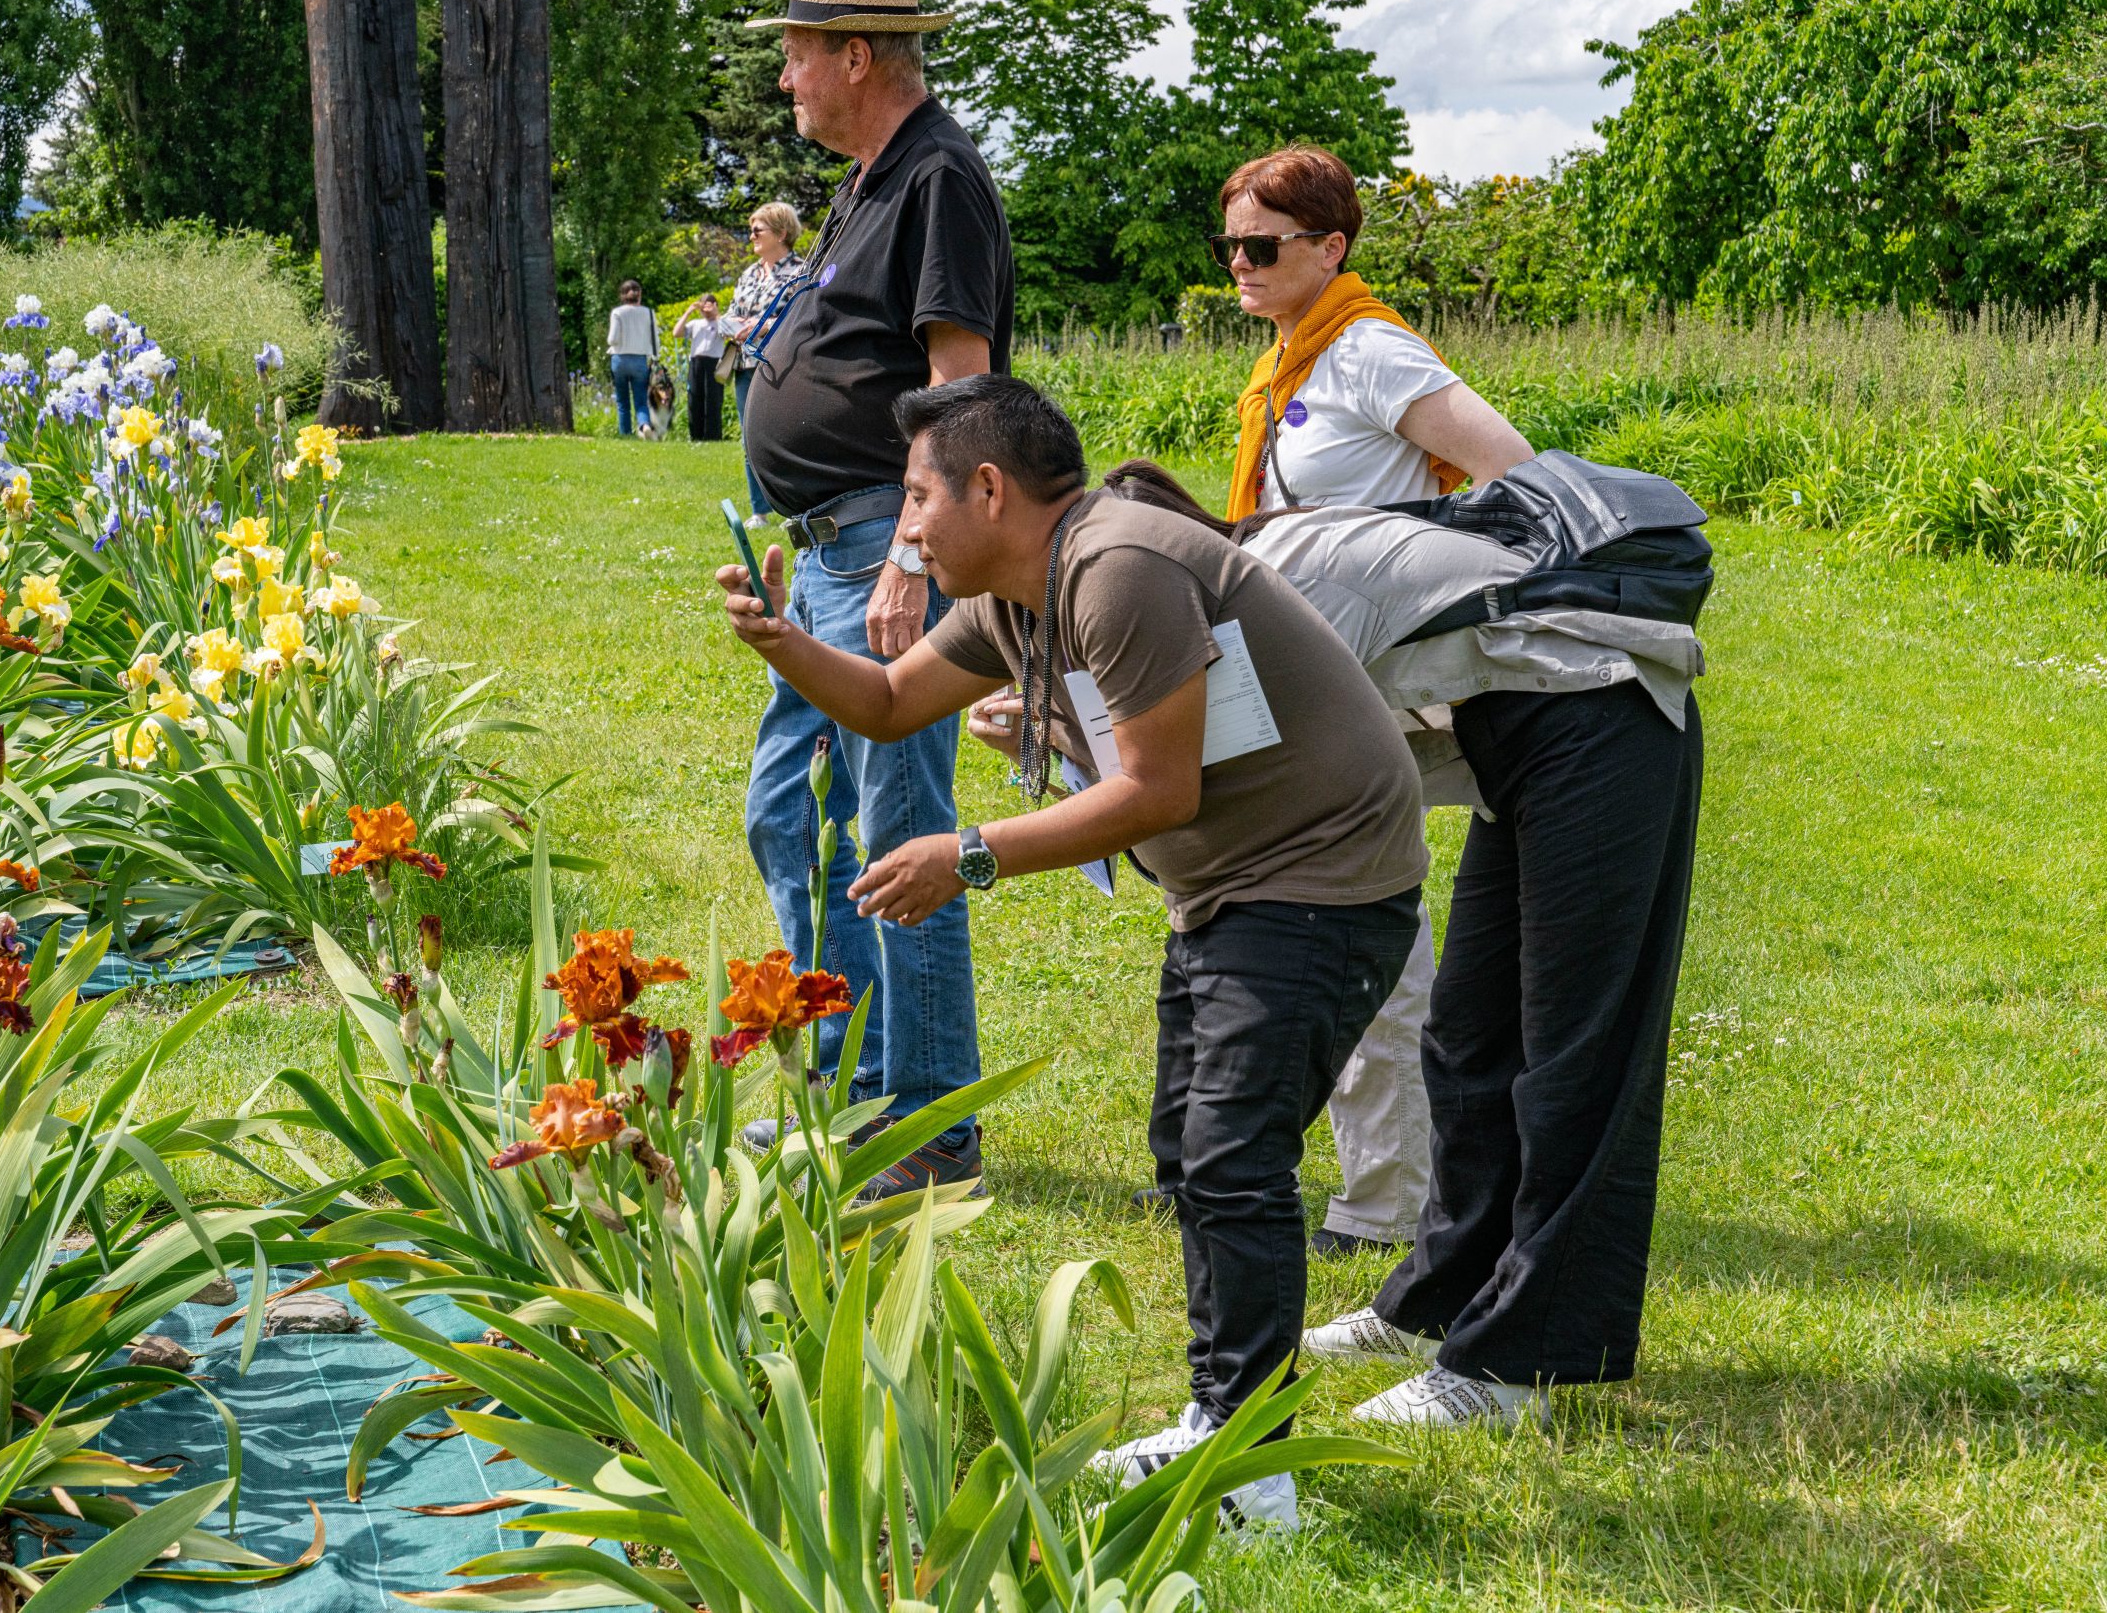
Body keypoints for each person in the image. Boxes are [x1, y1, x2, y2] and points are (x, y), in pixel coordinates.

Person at [716, 375, 1429, 1533]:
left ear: (987, 490)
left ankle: (1252, 1466)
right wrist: (782, 639)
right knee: (1190, 1152)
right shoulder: (1018, 590)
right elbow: (893, 701)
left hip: (1320, 883)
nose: (904, 526)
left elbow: (1158, 790)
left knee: (1231, 1158)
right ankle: (1222, 1421)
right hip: (1233, 889)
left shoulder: (1117, 568)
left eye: (915, 497)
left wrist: (972, 852)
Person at [1068, 461, 1706, 1433]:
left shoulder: (1267, 590)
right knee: (1467, 1033)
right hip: (1519, 721)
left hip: (1601, 704)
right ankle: (1438, 1302)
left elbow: (1193, 807)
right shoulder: (1226, 596)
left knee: (1573, 1048)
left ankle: (1515, 1365)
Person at [1208, 144, 1539, 1258]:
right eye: (1230, 249)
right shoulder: (1292, 363)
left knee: (1370, 942)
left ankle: (1389, 1202)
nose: (1240, 268)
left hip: (1365, 689)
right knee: (1341, 930)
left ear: (1331, 248)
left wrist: (1409, 579)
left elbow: (1512, 471)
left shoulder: (1367, 351)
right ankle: (1387, 1187)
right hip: (1307, 681)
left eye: (1263, 247)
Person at [734, 0, 1014, 1197]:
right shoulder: (868, 182)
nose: (783, 75)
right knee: (790, 812)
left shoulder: (939, 177)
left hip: (882, 556)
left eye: (795, 50)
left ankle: (931, 1124)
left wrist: (910, 551)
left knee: (903, 838)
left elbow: (964, 386)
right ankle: (845, 1084)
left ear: (856, 53)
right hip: (832, 552)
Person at [718, 202, 808, 523]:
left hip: (782, 366)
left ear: (782, 233)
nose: (751, 235)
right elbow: (731, 311)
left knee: (787, 434)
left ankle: (795, 508)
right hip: (744, 365)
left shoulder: (800, 272)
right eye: (750, 229)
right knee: (750, 436)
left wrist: (765, 325)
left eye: (758, 229)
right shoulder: (748, 274)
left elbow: (805, 317)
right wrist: (728, 323)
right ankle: (759, 510)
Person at [605, 281, 656, 437]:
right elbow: (655, 339)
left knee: (622, 401)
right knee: (641, 399)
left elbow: (611, 340)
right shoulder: (649, 313)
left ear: (622, 295)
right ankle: (644, 425)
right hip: (640, 359)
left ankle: (625, 434)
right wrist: (655, 358)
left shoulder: (617, 313)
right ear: (639, 295)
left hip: (620, 359)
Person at [680, 293, 725, 442]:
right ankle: (695, 435)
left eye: (709, 304)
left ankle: (713, 436)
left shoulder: (721, 322)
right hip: (696, 362)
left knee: (713, 399)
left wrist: (716, 313)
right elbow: (676, 332)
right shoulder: (696, 324)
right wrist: (689, 311)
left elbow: (729, 331)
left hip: (714, 362)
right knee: (695, 397)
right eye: (703, 304)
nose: (705, 308)